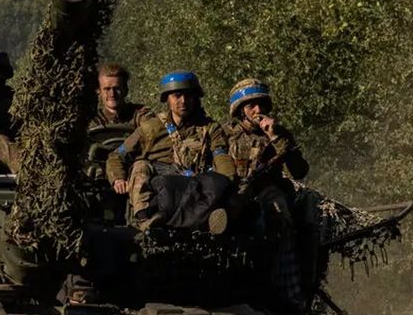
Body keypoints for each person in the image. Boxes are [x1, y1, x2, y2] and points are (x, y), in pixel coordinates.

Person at [103, 71, 235, 231]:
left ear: (195, 98)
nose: (183, 101)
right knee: (141, 166)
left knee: (217, 183)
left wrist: (229, 183)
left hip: (195, 187)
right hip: (161, 189)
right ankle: (145, 220)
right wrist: (118, 179)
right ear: (167, 99)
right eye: (177, 96)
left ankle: (205, 220)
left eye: (188, 95)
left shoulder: (210, 128)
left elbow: (221, 157)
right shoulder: (151, 128)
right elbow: (117, 156)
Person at [223, 77, 309, 208]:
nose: (258, 110)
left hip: (267, 192)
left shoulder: (280, 133)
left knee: (278, 208)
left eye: (261, 104)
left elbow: (298, 172)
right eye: (251, 106)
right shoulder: (225, 133)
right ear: (241, 110)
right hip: (233, 191)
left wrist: (275, 138)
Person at [91, 62, 151, 130]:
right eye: (107, 89)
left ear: (125, 90)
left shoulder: (140, 115)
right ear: (99, 91)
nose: (112, 94)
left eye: (117, 88)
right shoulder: (93, 120)